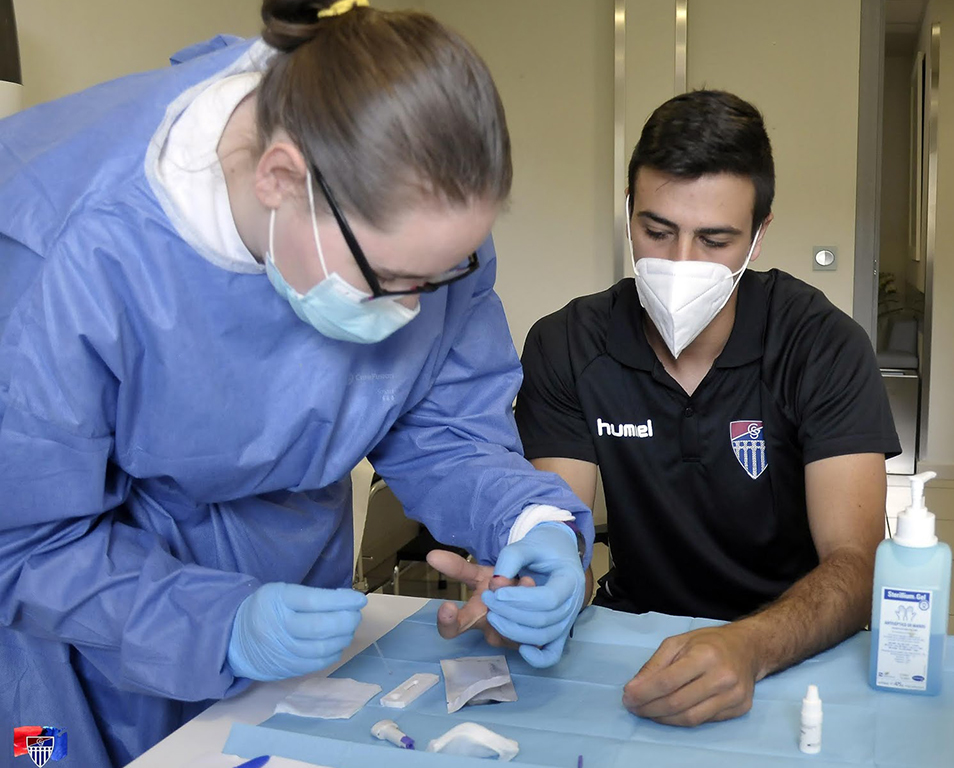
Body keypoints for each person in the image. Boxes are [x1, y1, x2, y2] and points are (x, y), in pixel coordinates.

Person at [0, 3, 591, 766]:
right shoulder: (66, 252)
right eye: (391, 279)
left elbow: (442, 425)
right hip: (95, 639)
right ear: (279, 177)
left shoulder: (416, 208)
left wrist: (529, 521)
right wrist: (218, 624)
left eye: (436, 277)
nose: (413, 309)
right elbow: (25, 539)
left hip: (300, 618)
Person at [514, 90, 900, 727]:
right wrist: (538, 593)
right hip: (632, 636)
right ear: (630, 211)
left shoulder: (821, 345)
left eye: (715, 239)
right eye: (657, 231)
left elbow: (855, 567)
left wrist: (750, 646)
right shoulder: (569, 343)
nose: (679, 264)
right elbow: (564, 537)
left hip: (790, 644)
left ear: (758, 237)